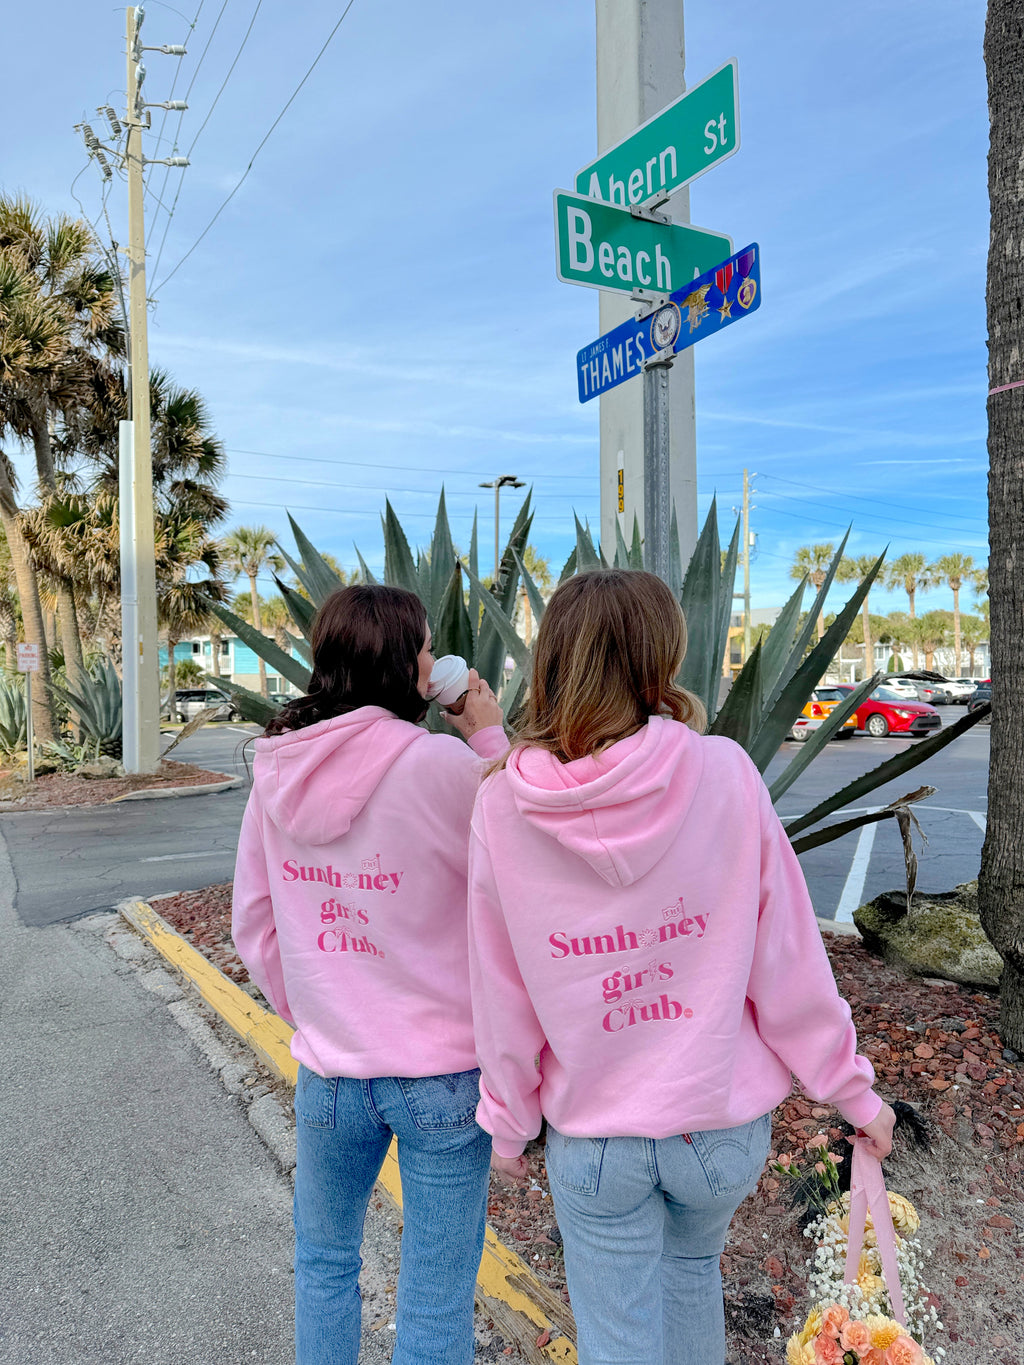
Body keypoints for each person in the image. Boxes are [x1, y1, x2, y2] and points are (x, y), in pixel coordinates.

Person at [466, 569, 895, 1365]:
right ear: (658, 659)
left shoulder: (500, 805)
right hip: (718, 1128)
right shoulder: (726, 772)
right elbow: (791, 966)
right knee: (692, 1276)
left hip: (595, 1135)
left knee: (619, 1337)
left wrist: (510, 1122)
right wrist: (852, 1093)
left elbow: (502, 995)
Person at [232, 584, 507, 1365]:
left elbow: (254, 923)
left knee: (324, 1265)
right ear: (401, 663)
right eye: (423, 646)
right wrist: (489, 739)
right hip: (443, 1076)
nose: (431, 659)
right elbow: (523, 864)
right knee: (436, 1294)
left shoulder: (276, 769)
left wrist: (318, 1009)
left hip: (333, 1070)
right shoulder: (442, 766)